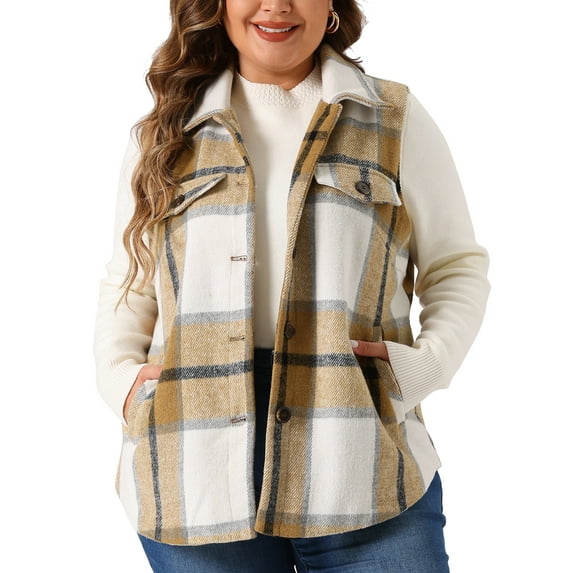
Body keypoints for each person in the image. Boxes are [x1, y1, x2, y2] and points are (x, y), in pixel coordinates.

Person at [94, 0, 489, 571]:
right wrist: (121, 382)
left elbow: (456, 265)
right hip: (192, 459)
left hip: (360, 450)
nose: (276, 5)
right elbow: (129, 279)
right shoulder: (167, 129)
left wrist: (426, 366)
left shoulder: (391, 118)